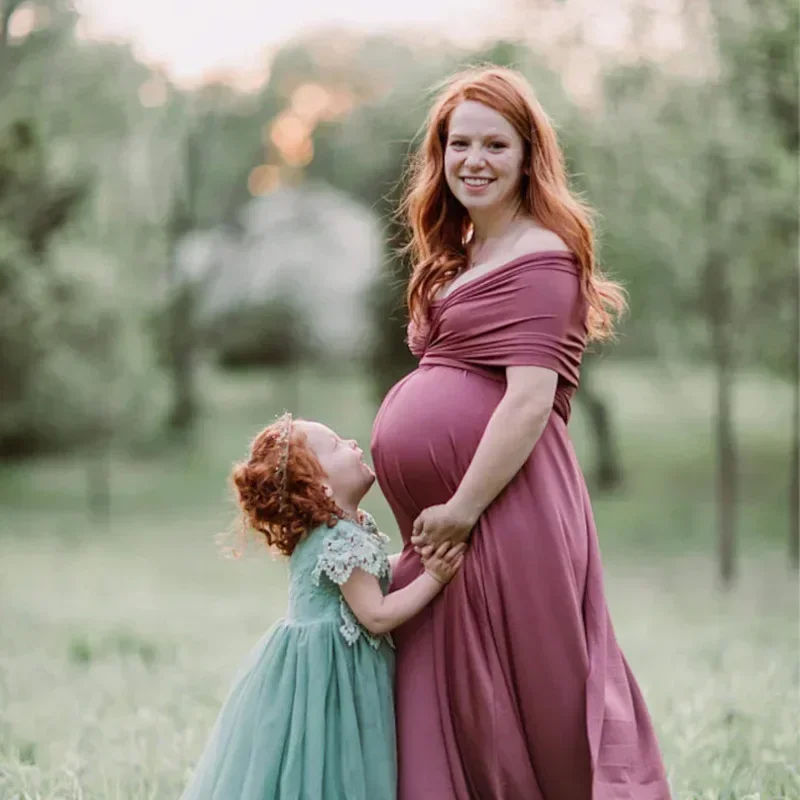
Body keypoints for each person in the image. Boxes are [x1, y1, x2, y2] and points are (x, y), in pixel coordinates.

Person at [370, 66, 672, 799]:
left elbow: (528, 403)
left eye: (495, 144)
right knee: (455, 690)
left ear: (529, 154)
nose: (474, 160)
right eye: (459, 143)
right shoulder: (466, 249)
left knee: (532, 693)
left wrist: (463, 507)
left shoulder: (543, 257)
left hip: (507, 506)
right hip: (448, 520)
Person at [180, 413, 465, 800]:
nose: (354, 444)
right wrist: (434, 577)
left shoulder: (339, 530)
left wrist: (413, 559)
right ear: (321, 488)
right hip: (331, 675)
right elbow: (377, 615)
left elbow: (372, 574)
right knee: (331, 760)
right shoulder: (338, 538)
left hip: (317, 667)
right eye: (336, 446)